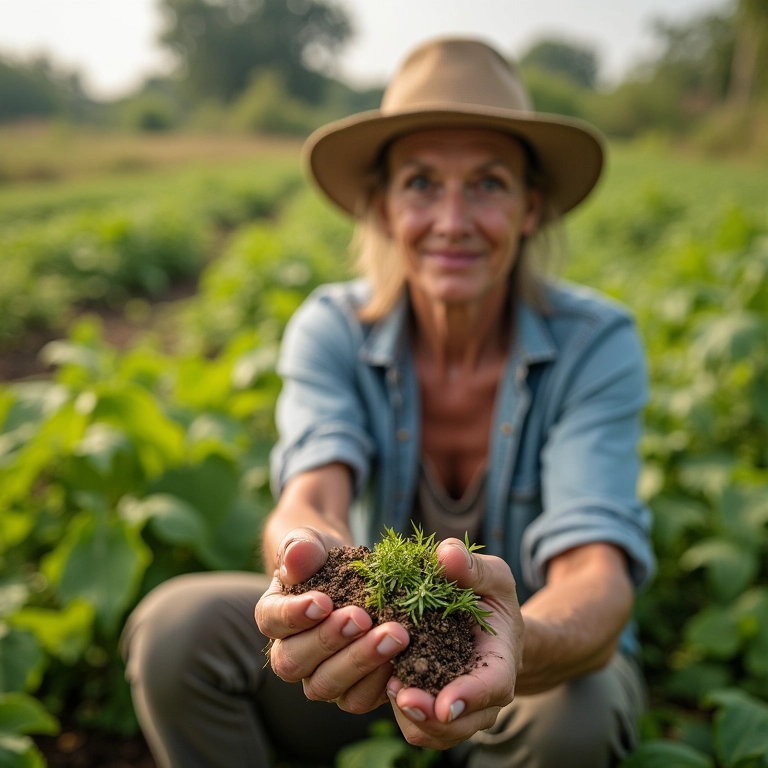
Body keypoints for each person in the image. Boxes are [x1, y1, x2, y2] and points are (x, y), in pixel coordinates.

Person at [122, 37, 655, 768]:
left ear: (532, 207)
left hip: (530, 680)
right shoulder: (333, 328)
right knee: (178, 629)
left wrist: (519, 643)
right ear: (380, 207)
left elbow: (596, 573)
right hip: (369, 660)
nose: (452, 219)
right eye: (421, 184)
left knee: (578, 716)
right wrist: (325, 589)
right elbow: (311, 494)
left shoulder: (596, 343)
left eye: (490, 184)